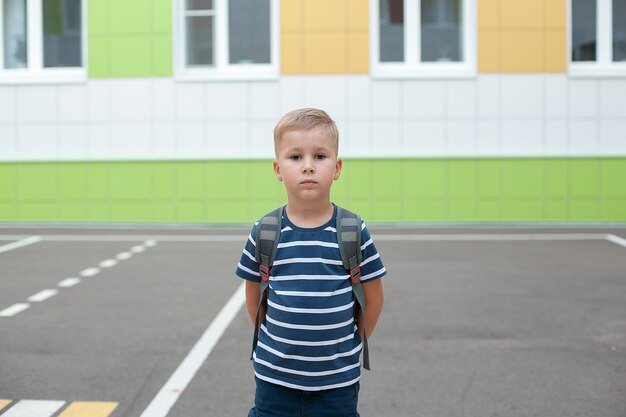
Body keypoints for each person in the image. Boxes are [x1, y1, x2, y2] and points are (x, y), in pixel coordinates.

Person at [235, 108, 386, 417]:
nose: (307, 167)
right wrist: (274, 342)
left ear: (337, 167)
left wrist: (350, 345)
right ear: (278, 169)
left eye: (319, 156)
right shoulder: (264, 231)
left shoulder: (353, 230)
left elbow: (374, 299)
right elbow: (254, 298)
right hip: (274, 379)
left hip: (337, 383)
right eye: (295, 157)